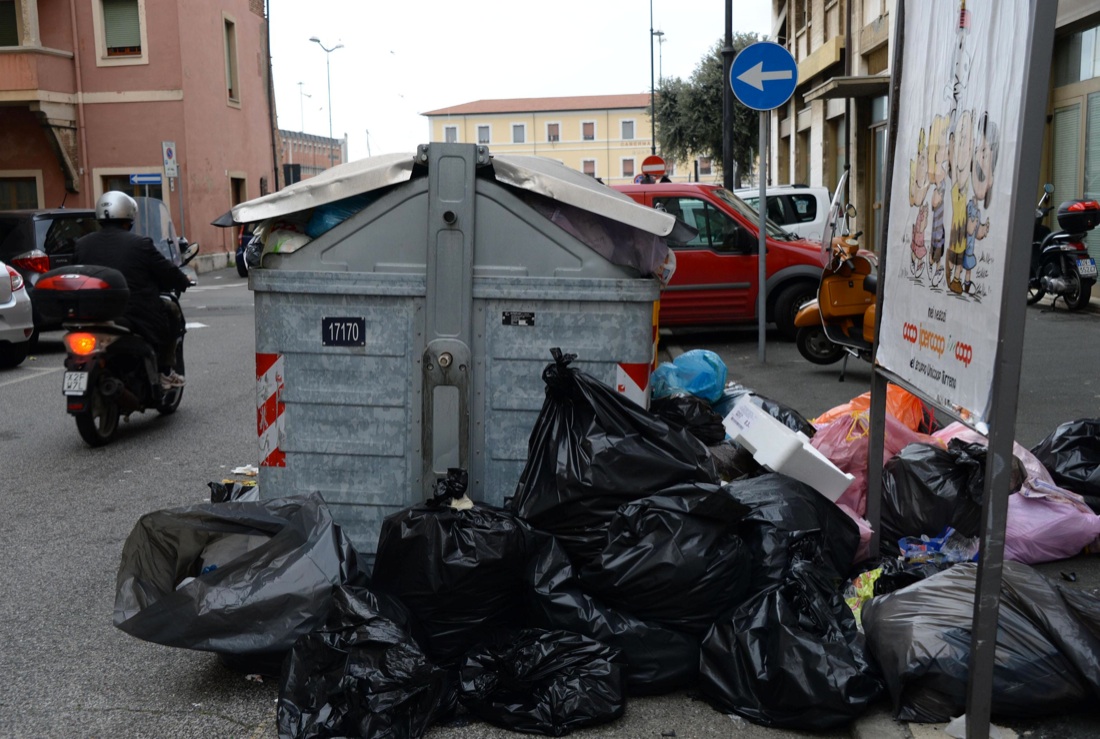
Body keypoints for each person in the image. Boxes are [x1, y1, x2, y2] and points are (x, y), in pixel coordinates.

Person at [75, 191, 193, 390]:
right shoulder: (140, 244)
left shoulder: (82, 244)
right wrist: (183, 281)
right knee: (172, 310)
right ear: (128, 216)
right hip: (132, 313)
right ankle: (164, 372)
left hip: (90, 313)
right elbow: (166, 271)